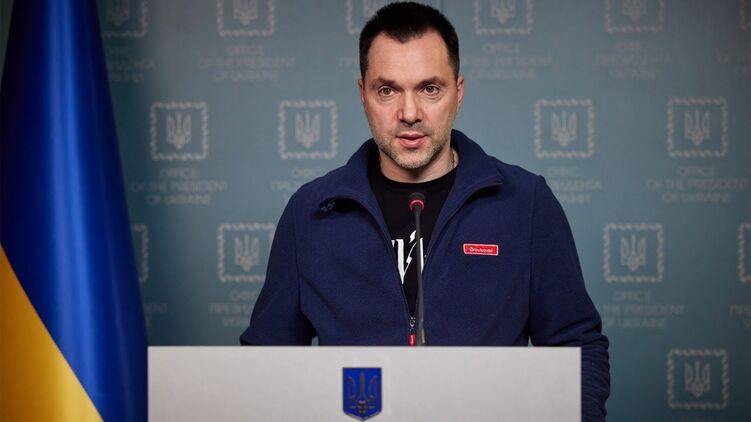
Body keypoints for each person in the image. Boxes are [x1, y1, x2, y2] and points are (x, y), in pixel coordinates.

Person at [241, 2, 609, 420]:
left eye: (429, 89)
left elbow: (576, 348)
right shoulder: (311, 213)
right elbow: (266, 362)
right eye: (387, 90)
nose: (410, 113)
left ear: (459, 92)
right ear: (362, 95)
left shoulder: (525, 203)